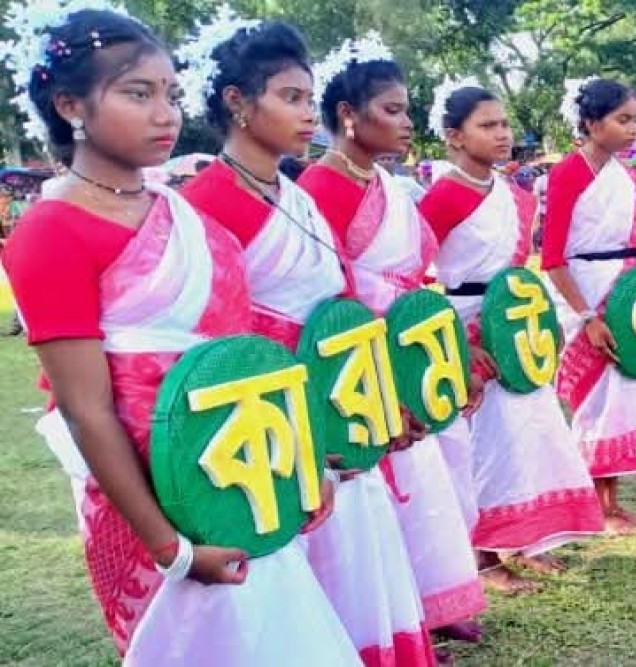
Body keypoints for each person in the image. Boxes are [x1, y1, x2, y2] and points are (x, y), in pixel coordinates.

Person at [1, 5, 359, 663]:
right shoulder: (48, 231)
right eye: (138, 94)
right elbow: (86, 407)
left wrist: (301, 467)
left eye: (169, 92)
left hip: (247, 461)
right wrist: (171, 545)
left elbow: (246, 358)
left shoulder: (178, 210)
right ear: (69, 104)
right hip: (155, 494)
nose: (165, 113)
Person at [178, 15, 437, 664]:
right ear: (237, 103)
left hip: (341, 405)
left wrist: (381, 404)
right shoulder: (207, 200)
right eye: (289, 97)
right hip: (276, 418)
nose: (306, 113)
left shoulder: (295, 195)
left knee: (359, 558)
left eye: (306, 96)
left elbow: (342, 303)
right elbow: (218, 334)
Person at [297, 38, 487, 639]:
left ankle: (435, 604)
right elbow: (333, 293)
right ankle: (396, 617)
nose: (407, 123)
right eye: (394, 110)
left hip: (413, 344)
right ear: (349, 115)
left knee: (433, 468)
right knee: (384, 489)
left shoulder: (387, 184)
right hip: (358, 358)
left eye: (407, 111)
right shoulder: (320, 189)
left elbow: (415, 276)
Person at [421, 80, 605, 592]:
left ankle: (528, 538)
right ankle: (481, 556)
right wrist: (457, 341)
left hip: (516, 322)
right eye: (488, 126)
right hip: (466, 322)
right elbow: (414, 273)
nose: (503, 134)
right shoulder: (444, 195)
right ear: (454, 136)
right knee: (483, 441)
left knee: (529, 430)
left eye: (504, 124)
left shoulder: (515, 195)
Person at [542, 78, 636, 527]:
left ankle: (609, 501)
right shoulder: (567, 171)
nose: (632, 129)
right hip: (582, 287)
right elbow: (552, 257)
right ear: (591, 124)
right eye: (621, 119)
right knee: (595, 396)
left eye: (635, 119)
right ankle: (593, 504)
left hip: (622, 285)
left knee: (622, 391)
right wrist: (587, 315)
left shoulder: (627, 175)